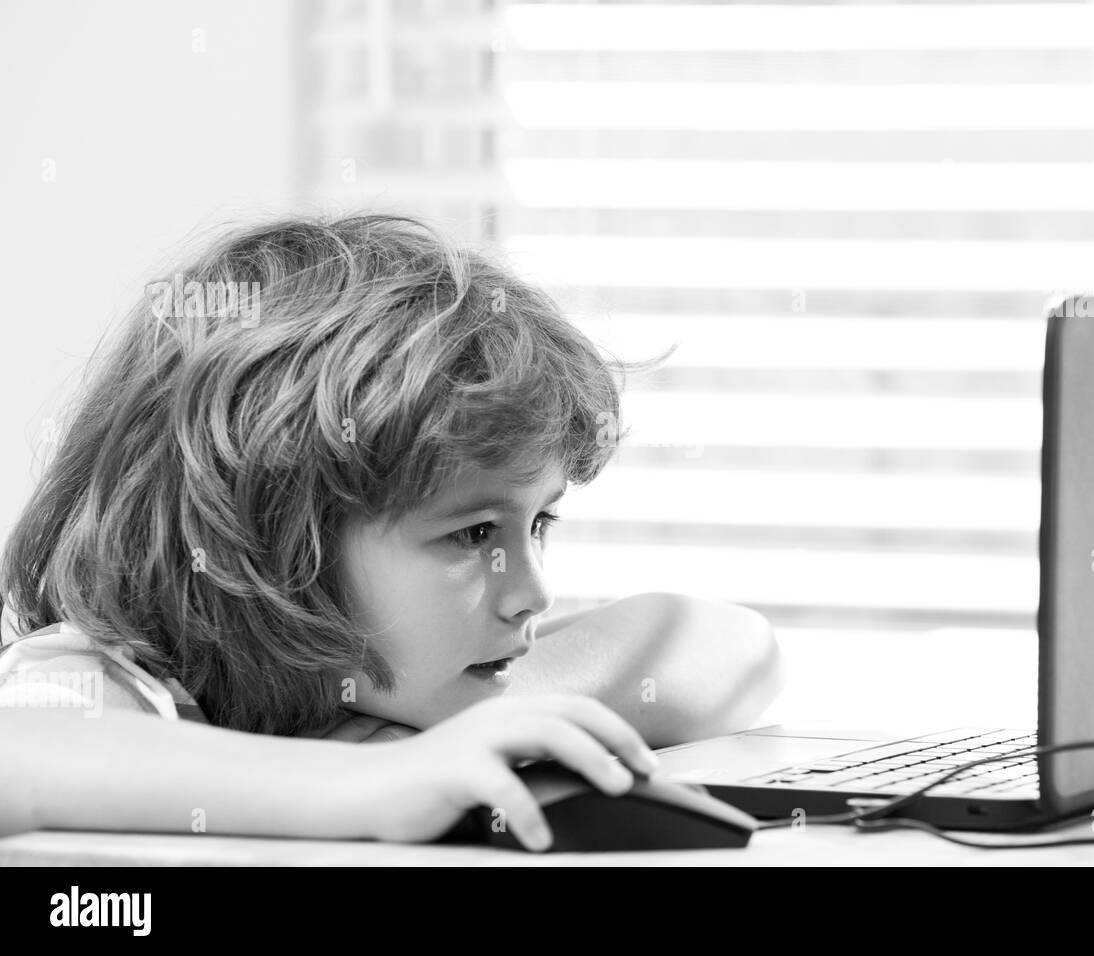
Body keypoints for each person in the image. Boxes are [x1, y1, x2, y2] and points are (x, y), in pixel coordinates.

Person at [0, 215, 783, 851]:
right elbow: (20, 758)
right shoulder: (99, 674)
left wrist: (483, 721)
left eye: (539, 521)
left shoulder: (394, 688)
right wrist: (380, 779)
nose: (533, 591)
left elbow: (730, 648)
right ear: (275, 545)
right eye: (474, 535)